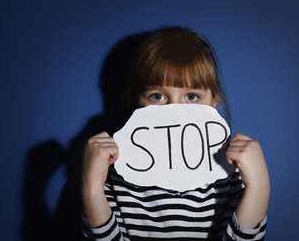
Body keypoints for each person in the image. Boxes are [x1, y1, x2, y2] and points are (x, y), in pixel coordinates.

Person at [82, 27, 270, 240]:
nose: (174, 110)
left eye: (191, 96)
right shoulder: (118, 173)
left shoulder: (228, 174)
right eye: (157, 96)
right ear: (137, 103)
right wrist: (91, 186)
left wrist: (259, 188)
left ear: (213, 103)